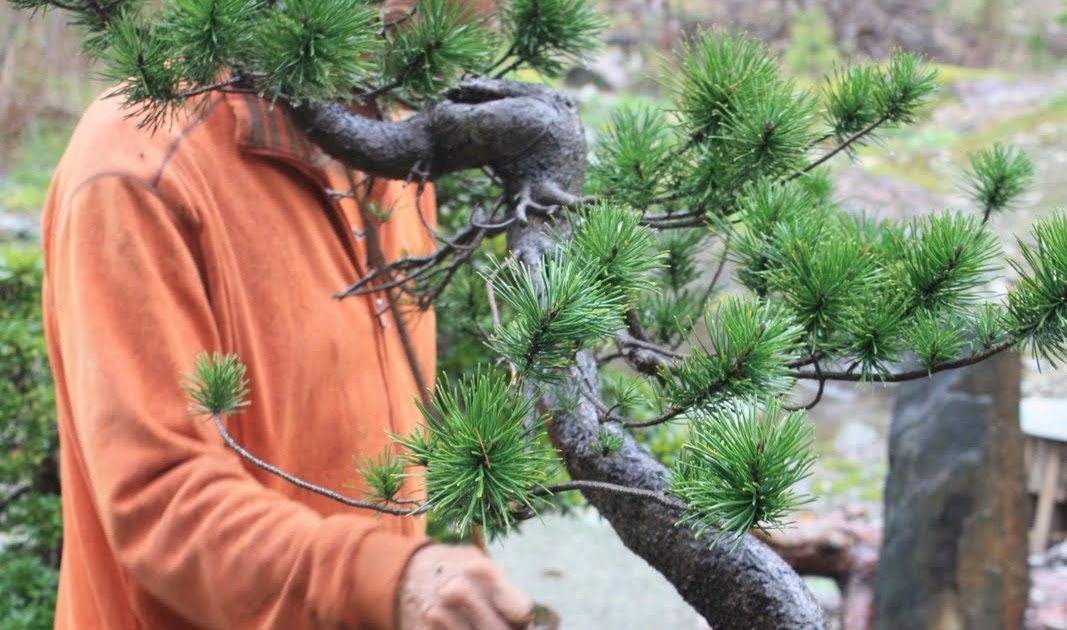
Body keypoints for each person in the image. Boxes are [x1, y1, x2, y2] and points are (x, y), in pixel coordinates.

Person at [40, 1, 533, 628]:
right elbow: (161, 501)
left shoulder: (396, 146)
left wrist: (437, 574)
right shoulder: (136, 168)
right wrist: (389, 581)